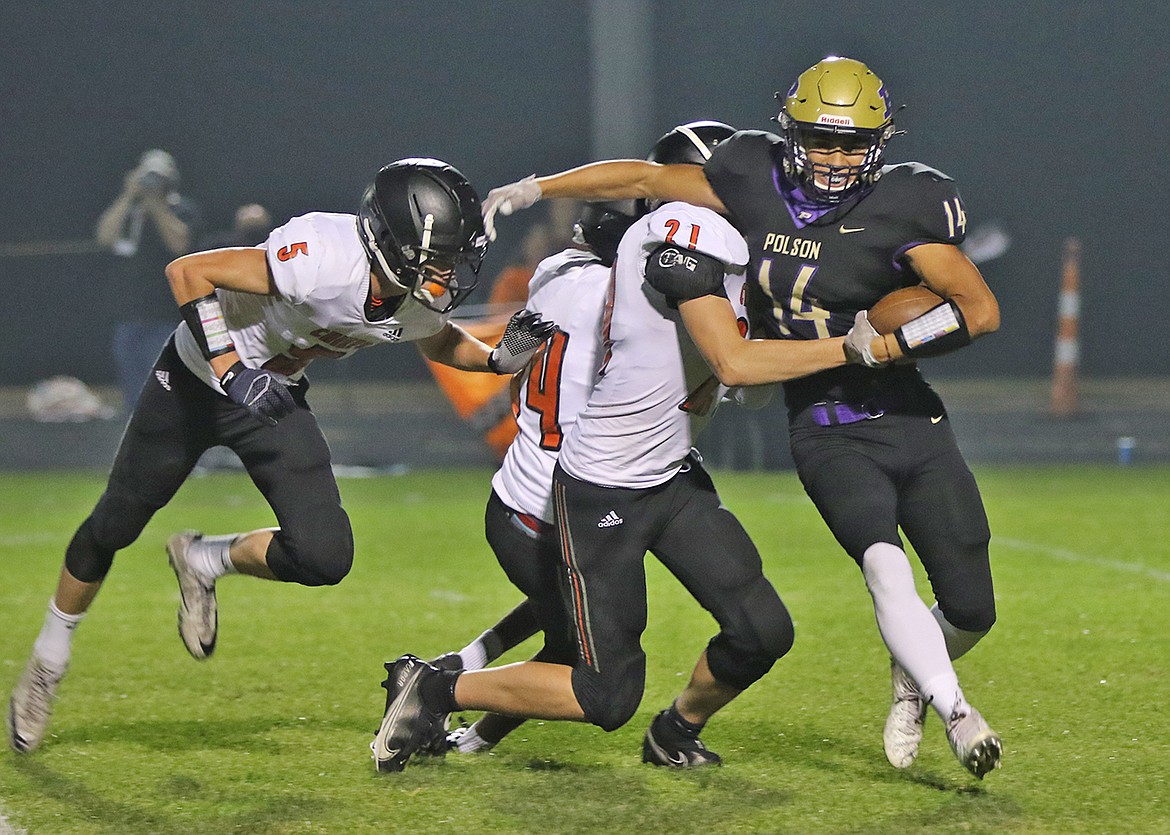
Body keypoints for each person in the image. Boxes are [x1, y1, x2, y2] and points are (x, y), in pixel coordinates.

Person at [478, 56, 1004, 779]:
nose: (833, 157)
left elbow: (976, 310)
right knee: (880, 571)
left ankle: (911, 675)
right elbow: (642, 178)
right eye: (819, 139)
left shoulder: (904, 205)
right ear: (790, 133)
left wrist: (889, 344)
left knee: (968, 605)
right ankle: (954, 708)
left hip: (897, 409)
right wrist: (540, 186)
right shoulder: (753, 185)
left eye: (851, 143)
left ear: (880, 143)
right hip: (815, 415)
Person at [371, 122, 886, 773]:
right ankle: (440, 691)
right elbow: (731, 366)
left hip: (660, 475)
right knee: (599, 683)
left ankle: (672, 729)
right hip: (585, 489)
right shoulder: (663, 263)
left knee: (760, 629)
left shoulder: (568, 272)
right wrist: (845, 337)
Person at [6, 158, 557, 755]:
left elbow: (441, 338)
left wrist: (499, 358)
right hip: (196, 382)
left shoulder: (409, 291)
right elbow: (189, 273)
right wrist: (229, 370)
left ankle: (204, 559)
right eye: (443, 255)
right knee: (112, 525)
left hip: (272, 398)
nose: (452, 271)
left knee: (325, 554)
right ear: (392, 246)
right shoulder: (321, 257)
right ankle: (48, 660)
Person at [95, 149, 204, 411]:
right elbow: (105, 238)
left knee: (167, 382)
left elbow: (179, 243)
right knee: (133, 386)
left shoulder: (183, 209)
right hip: (129, 314)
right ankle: (136, 433)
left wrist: (156, 205)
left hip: (166, 314)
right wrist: (128, 196)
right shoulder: (131, 211)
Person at [199, 202, 274, 250]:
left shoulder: (275, 244)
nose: (252, 213)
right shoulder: (218, 245)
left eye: (256, 210)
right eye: (248, 209)